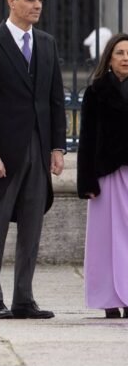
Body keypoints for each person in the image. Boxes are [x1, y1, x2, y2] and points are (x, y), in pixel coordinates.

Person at [0, 0, 66, 320]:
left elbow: (55, 100)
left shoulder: (47, 43)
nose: (37, 5)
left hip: (39, 150)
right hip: (3, 153)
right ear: (11, 1)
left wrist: (57, 147)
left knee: (32, 227)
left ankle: (24, 298)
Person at [77, 33, 128, 319]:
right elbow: (86, 140)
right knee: (105, 240)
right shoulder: (96, 92)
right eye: (119, 53)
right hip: (106, 176)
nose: (125, 58)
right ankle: (108, 299)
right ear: (109, 57)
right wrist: (86, 182)